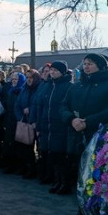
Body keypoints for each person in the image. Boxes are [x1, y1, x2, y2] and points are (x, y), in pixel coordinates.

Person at [62, 53, 108, 215]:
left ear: (100, 66)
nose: (86, 66)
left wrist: (87, 122)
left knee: (96, 176)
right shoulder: (77, 86)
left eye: (90, 63)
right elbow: (64, 105)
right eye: (85, 63)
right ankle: (82, 211)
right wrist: (71, 119)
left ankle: (98, 213)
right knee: (80, 176)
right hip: (76, 135)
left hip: (99, 138)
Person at [35, 61, 73, 193]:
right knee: (53, 156)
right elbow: (42, 106)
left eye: (55, 70)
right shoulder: (49, 86)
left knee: (61, 156)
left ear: (62, 72)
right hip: (47, 125)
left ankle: (65, 183)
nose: (52, 73)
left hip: (61, 126)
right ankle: (56, 181)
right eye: (51, 70)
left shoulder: (69, 86)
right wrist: (39, 125)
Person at [14, 69, 41, 178]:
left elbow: (38, 105)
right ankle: (25, 167)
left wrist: (30, 111)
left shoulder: (39, 89)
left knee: (35, 148)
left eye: (31, 78)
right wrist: (20, 116)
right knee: (24, 146)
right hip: (24, 121)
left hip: (35, 122)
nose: (29, 80)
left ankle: (34, 169)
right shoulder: (24, 89)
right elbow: (17, 104)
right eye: (28, 77)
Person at [2, 72, 26, 173]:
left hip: (19, 121)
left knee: (19, 145)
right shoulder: (11, 91)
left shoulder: (23, 91)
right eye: (13, 79)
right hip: (9, 120)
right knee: (9, 143)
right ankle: (10, 165)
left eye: (16, 79)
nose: (14, 81)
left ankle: (20, 166)